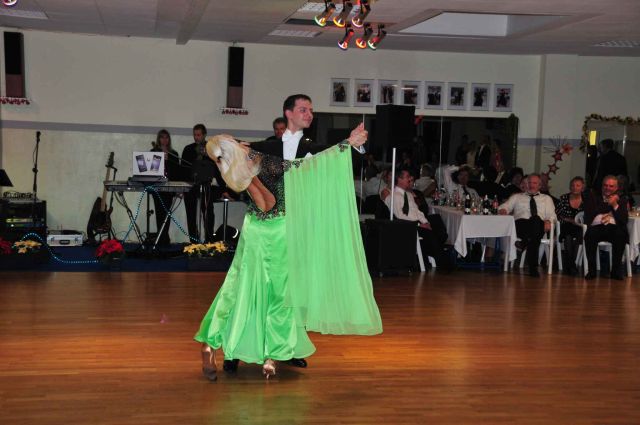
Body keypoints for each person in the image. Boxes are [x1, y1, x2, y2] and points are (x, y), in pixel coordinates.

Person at [194, 126, 379, 381]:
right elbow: (305, 171)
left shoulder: (230, 171)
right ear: (237, 146)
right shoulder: (264, 161)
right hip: (277, 231)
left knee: (237, 288)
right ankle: (272, 357)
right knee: (279, 293)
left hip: (253, 230)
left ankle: (210, 343)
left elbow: (262, 202)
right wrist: (346, 143)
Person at [384, 168, 450, 269]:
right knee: (430, 234)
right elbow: (400, 216)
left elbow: (418, 212)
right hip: (407, 226)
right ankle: (441, 260)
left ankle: (432, 255)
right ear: (399, 179)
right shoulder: (393, 196)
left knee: (437, 226)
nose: (410, 179)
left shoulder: (408, 195)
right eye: (407, 177)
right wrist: (418, 224)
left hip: (416, 223)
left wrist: (426, 222)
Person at [499, 173, 557, 277]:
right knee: (536, 225)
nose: (531, 185)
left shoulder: (546, 198)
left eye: (534, 183)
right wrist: (503, 210)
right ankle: (533, 267)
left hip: (538, 225)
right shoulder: (517, 197)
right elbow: (504, 206)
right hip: (521, 225)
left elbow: (552, 216)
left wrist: (549, 221)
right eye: (529, 182)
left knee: (536, 220)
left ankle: (524, 243)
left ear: (540, 185)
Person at [181, 124, 231, 242]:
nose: (196, 137)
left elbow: (219, 169)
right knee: (191, 214)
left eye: (198, 135)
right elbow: (183, 169)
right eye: (194, 135)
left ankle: (209, 240)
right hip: (191, 187)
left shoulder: (212, 149)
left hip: (207, 186)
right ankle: (193, 241)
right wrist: (182, 188)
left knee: (208, 213)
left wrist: (223, 189)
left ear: (204, 135)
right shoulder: (188, 149)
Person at [583, 175, 628, 281]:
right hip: (597, 226)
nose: (608, 188)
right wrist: (610, 205)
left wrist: (615, 205)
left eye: (611, 186)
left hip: (613, 227)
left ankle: (615, 272)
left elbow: (623, 219)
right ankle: (592, 271)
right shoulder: (593, 197)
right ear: (602, 186)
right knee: (590, 235)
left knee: (621, 235)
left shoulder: (622, 200)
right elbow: (591, 213)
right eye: (605, 185)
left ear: (616, 188)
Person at [150, 129, 180, 246]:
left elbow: (177, 172)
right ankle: (161, 238)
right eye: (162, 137)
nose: (164, 140)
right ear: (159, 139)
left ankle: (164, 238)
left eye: (166, 137)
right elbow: (152, 170)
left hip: (169, 188)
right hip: (157, 187)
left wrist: (168, 160)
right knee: (159, 213)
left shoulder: (174, 154)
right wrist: (161, 159)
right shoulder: (153, 152)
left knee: (167, 213)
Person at [556, 176, 585, 275]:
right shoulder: (563, 198)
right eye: (572, 185)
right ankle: (571, 265)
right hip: (566, 224)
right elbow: (557, 214)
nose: (574, 187)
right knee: (568, 235)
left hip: (580, 226)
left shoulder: (586, 199)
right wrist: (569, 220)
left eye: (578, 185)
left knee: (578, 234)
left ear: (582, 187)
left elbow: (590, 215)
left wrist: (579, 222)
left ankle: (570, 264)